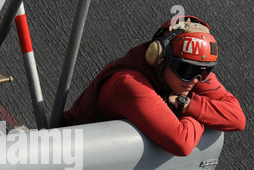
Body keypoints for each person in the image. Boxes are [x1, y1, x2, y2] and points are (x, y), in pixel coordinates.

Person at [62, 16, 245, 156]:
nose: (196, 80)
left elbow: (237, 118)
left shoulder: (190, 74)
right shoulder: (128, 83)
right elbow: (182, 142)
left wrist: (187, 104)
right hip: (73, 160)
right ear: (159, 57)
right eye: (186, 69)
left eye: (206, 71)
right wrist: (203, 114)